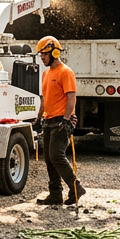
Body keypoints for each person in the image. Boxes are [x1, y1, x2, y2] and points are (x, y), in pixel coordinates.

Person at [35, 35, 84, 206]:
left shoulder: (65, 72)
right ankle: (55, 195)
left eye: (44, 54)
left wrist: (66, 120)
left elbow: (71, 98)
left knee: (56, 155)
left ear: (55, 53)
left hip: (61, 121)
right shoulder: (46, 74)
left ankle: (76, 187)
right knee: (49, 158)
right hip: (49, 121)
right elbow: (44, 99)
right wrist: (39, 117)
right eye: (40, 54)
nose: (42, 57)